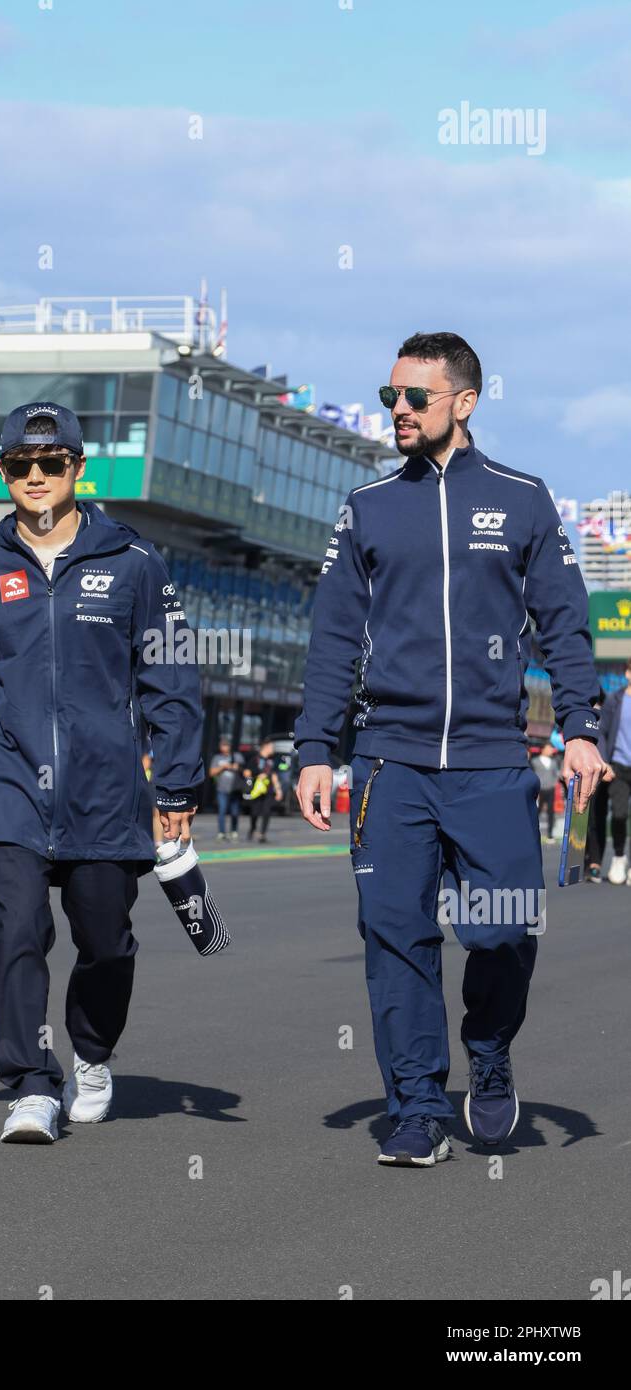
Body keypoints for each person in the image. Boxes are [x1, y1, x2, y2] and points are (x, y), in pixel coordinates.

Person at [295, 331, 606, 1167]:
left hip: (491, 760)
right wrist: (316, 747)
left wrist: (581, 728)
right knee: (394, 933)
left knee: (502, 928)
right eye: (390, 395)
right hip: (388, 764)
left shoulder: (523, 499)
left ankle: (491, 1051)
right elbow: (330, 637)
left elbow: (566, 627)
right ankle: (417, 1107)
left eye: (414, 397)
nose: (397, 409)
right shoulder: (366, 506)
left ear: (462, 402)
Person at [0, 402, 203, 1144]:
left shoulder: (135, 563)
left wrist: (176, 782)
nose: (37, 477)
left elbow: (171, 677)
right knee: (17, 931)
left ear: (78, 469)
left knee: (105, 940)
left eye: (52, 464)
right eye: (20, 465)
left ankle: (91, 1052)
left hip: (107, 791)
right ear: (3, 474)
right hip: (11, 783)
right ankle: (28, 1081)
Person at [597, 664, 631, 885]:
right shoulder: (614, 700)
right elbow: (602, 733)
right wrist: (604, 763)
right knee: (619, 814)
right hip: (619, 765)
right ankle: (619, 857)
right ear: (628, 673)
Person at [244, 741, 284, 842]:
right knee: (254, 812)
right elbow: (246, 772)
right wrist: (257, 775)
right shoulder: (255, 759)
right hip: (256, 790)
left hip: (268, 790)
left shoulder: (271, 761)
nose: (273, 749)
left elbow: (274, 775)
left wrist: (278, 790)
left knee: (267, 811)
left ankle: (262, 834)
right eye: (271, 747)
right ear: (265, 747)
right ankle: (253, 828)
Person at [208, 737, 245, 840]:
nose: (225, 747)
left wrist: (235, 767)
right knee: (222, 810)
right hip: (222, 789)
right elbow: (211, 773)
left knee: (234, 812)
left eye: (226, 745)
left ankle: (234, 830)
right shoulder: (217, 758)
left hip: (235, 789)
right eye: (223, 745)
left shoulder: (237, 756)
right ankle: (221, 832)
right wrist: (223, 767)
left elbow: (243, 769)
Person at [531, 743, 560, 842]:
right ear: (543, 749)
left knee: (551, 812)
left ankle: (550, 834)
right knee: (536, 812)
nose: (550, 750)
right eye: (549, 748)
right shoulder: (534, 761)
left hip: (550, 789)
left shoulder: (553, 762)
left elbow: (556, 774)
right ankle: (532, 832)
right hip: (539, 790)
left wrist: (554, 783)